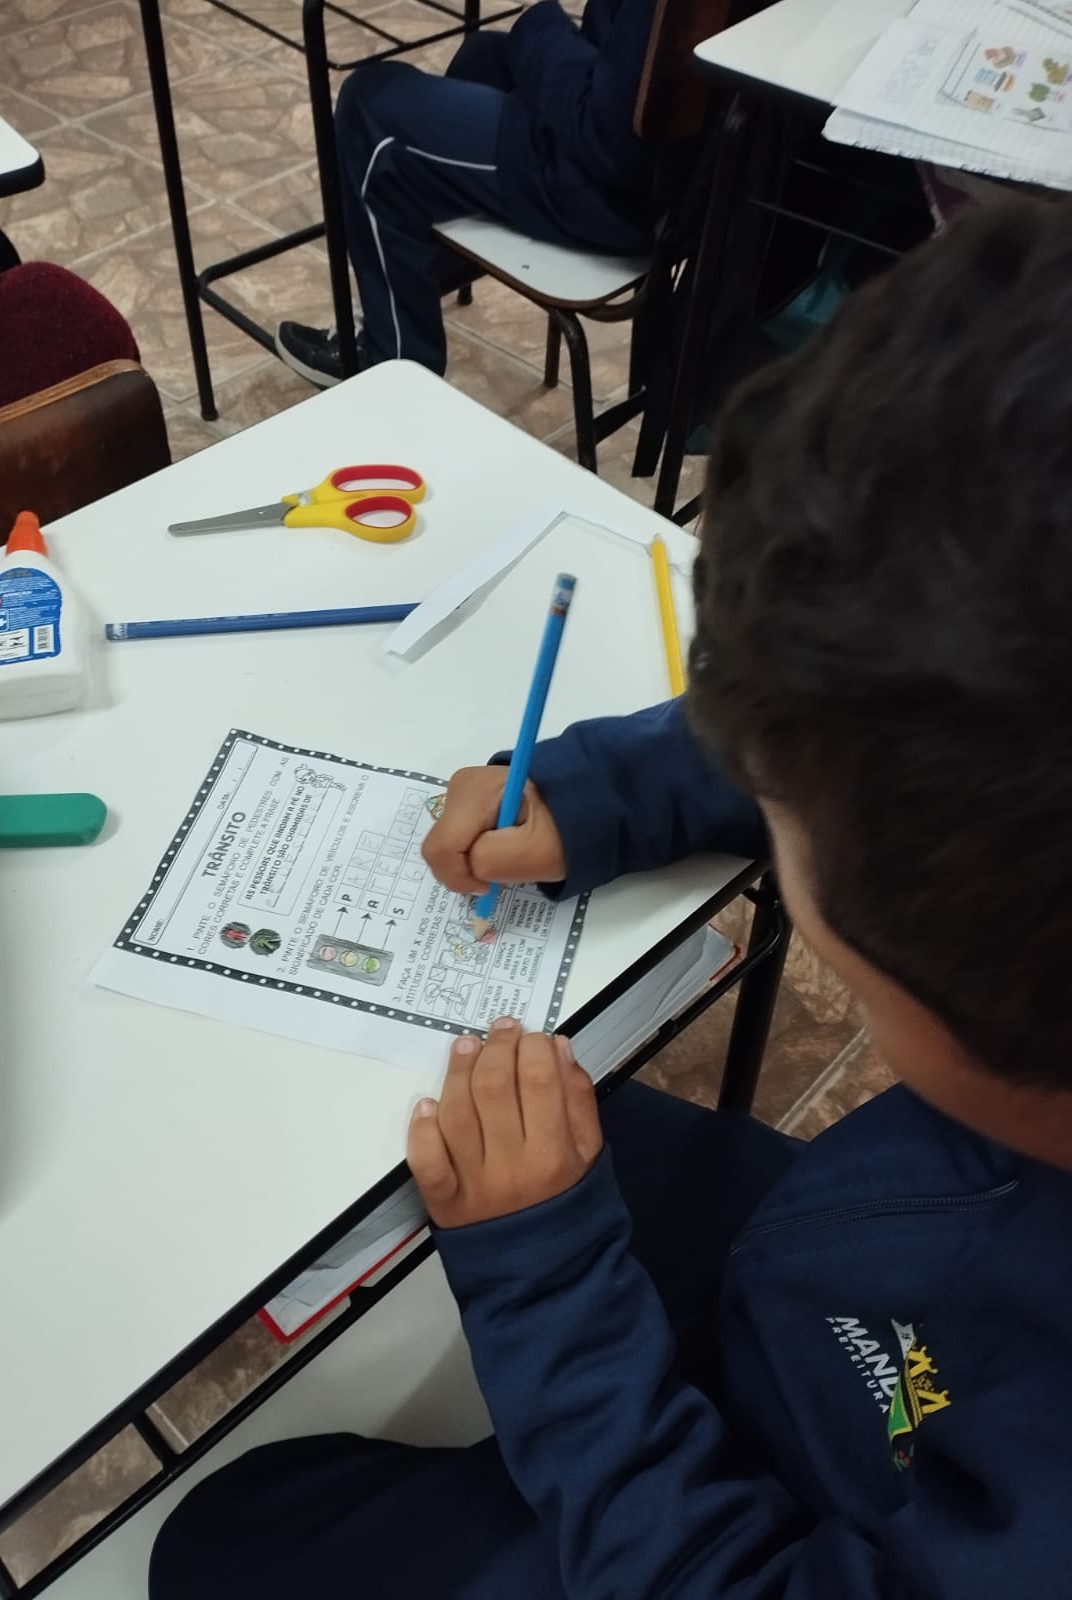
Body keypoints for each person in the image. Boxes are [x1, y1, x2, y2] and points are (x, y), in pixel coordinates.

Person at [150, 194, 1072, 1597]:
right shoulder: (1016, 872)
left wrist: (549, 1287)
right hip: (846, 1278)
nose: (760, 798)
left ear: (950, 973)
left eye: (780, 811)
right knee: (421, 1139)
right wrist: (598, 793)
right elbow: (912, 712)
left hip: (791, 1514)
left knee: (220, 1547)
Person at [275, 0, 678, 387]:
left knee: (368, 109)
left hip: (609, 192)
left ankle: (393, 365)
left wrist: (539, 17)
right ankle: (405, 289)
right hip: (666, 175)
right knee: (483, 57)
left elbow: (610, 142)